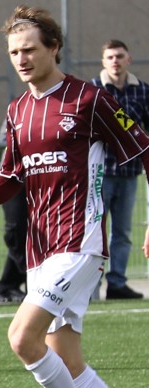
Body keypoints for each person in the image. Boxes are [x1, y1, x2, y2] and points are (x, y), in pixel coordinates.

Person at [0, 5, 149, 388]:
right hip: (40, 251)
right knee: (66, 358)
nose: (21, 59)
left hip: (80, 244)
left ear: (54, 48)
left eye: (30, 50)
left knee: (22, 339)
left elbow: (145, 149)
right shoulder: (18, 110)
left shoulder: (89, 99)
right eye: (14, 52)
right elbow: (11, 175)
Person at [91, 40, 149, 300]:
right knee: (94, 232)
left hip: (129, 173)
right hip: (99, 174)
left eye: (119, 56)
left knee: (123, 232)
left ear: (129, 59)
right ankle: (91, 285)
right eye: (110, 57)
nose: (115, 61)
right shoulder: (93, 89)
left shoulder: (143, 91)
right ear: (103, 61)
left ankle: (117, 283)